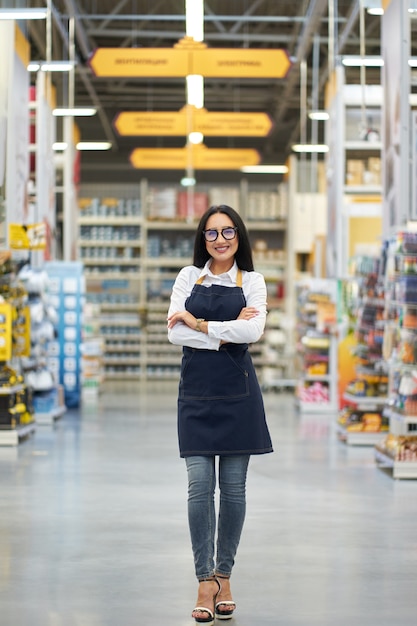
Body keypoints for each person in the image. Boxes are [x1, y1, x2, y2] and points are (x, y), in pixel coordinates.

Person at [167, 204, 273, 625]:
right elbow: (174, 332)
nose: (221, 239)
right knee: (198, 488)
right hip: (195, 397)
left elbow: (253, 332)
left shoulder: (254, 282)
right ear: (202, 239)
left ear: (239, 235)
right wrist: (223, 330)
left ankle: (223, 577)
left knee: (233, 492)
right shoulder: (187, 277)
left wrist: (202, 325)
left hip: (238, 397)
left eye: (228, 231)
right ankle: (202, 580)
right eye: (211, 233)